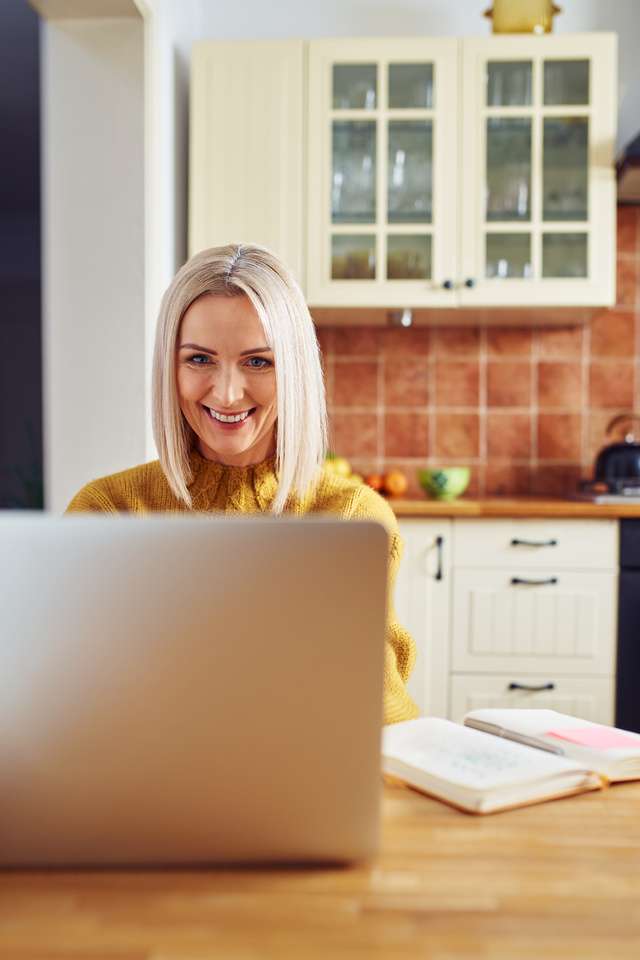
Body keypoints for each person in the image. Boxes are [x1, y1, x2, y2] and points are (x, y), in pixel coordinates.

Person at [66, 244, 419, 724]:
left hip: (303, 789)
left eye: (258, 362)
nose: (227, 393)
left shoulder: (351, 520)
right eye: (199, 360)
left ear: (293, 370)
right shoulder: (106, 512)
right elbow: (67, 708)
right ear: (169, 367)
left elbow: (387, 723)